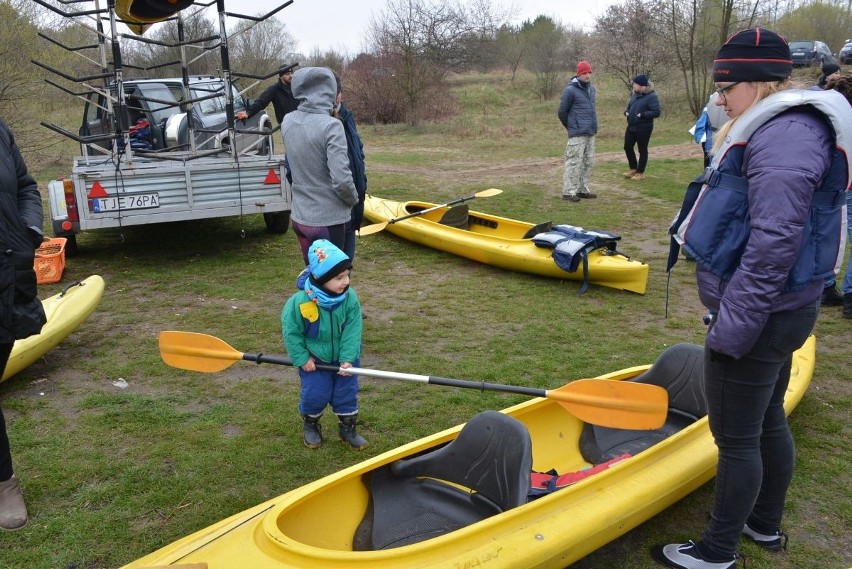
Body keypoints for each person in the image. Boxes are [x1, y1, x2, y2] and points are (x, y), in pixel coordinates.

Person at [658, 28, 852, 569]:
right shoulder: (788, 124)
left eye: (727, 86)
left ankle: (717, 552)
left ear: (762, 83)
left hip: (762, 314)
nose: (720, 99)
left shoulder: (788, 134)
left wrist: (732, 328)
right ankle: (762, 525)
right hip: (784, 308)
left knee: (737, 435)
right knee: (767, 418)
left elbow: (775, 243)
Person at [1, 119, 47, 531]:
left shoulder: (0, 130)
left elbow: (25, 187)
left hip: (5, 276)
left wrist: (29, 230)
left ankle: (3, 483)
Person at [281, 239, 366, 450]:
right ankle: (311, 425)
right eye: (339, 277)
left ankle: (347, 428)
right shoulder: (299, 302)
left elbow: (352, 329)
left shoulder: (349, 298)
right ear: (320, 278)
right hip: (315, 359)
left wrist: (348, 358)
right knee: (316, 393)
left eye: (347, 275)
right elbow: (292, 333)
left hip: (345, 358)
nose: (345, 281)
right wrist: (301, 358)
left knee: (346, 393)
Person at [281, 67, 359, 264]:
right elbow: (342, 180)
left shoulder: (287, 121)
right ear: (329, 91)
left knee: (314, 279)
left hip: (300, 217)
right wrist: (353, 200)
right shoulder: (331, 125)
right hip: (328, 220)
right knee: (333, 282)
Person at [332, 72, 367, 261]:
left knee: (346, 267)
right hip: (330, 215)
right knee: (328, 273)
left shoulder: (346, 115)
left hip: (352, 210)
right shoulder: (318, 122)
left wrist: (360, 187)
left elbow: (357, 150)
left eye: (337, 92)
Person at [825, 74, 852, 318]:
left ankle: (824, 287)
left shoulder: (827, 115)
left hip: (831, 185)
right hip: (846, 185)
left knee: (827, 234)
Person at [557, 61, 598, 202]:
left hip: (590, 131)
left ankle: (582, 190)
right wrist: (571, 126)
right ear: (579, 74)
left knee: (588, 162)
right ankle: (568, 192)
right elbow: (562, 112)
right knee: (574, 162)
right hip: (577, 133)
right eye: (584, 73)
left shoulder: (592, 89)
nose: (587, 75)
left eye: (589, 73)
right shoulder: (570, 90)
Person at [622, 74, 662, 181]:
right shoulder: (634, 95)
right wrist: (626, 112)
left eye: (635, 84)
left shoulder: (652, 96)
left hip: (644, 127)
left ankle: (640, 172)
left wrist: (643, 114)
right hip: (631, 126)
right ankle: (633, 169)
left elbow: (657, 112)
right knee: (627, 146)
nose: (634, 86)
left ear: (642, 86)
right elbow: (629, 107)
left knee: (642, 150)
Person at [693, 92, 730, 167]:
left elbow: (703, 123)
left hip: (712, 142)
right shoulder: (738, 95)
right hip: (723, 140)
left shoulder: (714, 97)